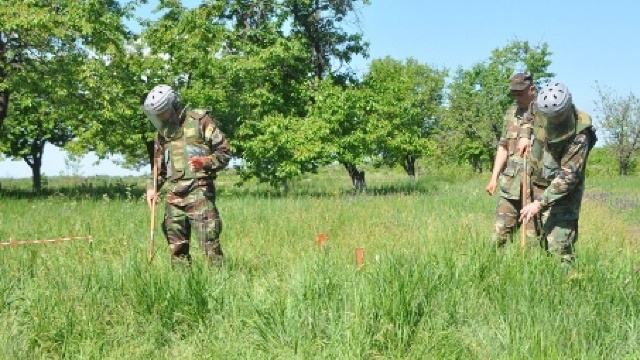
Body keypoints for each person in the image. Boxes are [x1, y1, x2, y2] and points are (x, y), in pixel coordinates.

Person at [142, 84, 232, 266]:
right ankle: (183, 290)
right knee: (176, 249)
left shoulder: (200, 121)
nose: (159, 118)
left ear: (173, 107)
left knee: (210, 246)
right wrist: (151, 188)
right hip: (173, 197)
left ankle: (220, 286)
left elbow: (224, 153)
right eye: (156, 115)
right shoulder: (162, 134)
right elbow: (158, 169)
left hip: (199, 192)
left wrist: (205, 162)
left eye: (162, 113)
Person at [518, 82, 597, 264]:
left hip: (563, 193)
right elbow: (529, 116)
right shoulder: (538, 105)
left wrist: (539, 204)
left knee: (559, 247)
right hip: (537, 181)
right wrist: (524, 135)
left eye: (559, 117)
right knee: (531, 241)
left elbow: (568, 177)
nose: (555, 121)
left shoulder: (580, 133)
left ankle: (565, 287)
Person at [486, 72, 540, 248]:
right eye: (513, 94)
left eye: (520, 93)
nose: (516, 97)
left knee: (532, 242)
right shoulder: (510, 114)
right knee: (498, 237)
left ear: (531, 89)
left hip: (534, 188)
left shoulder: (546, 112)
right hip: (511, 184)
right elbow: (502, 146)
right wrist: (494, 178)